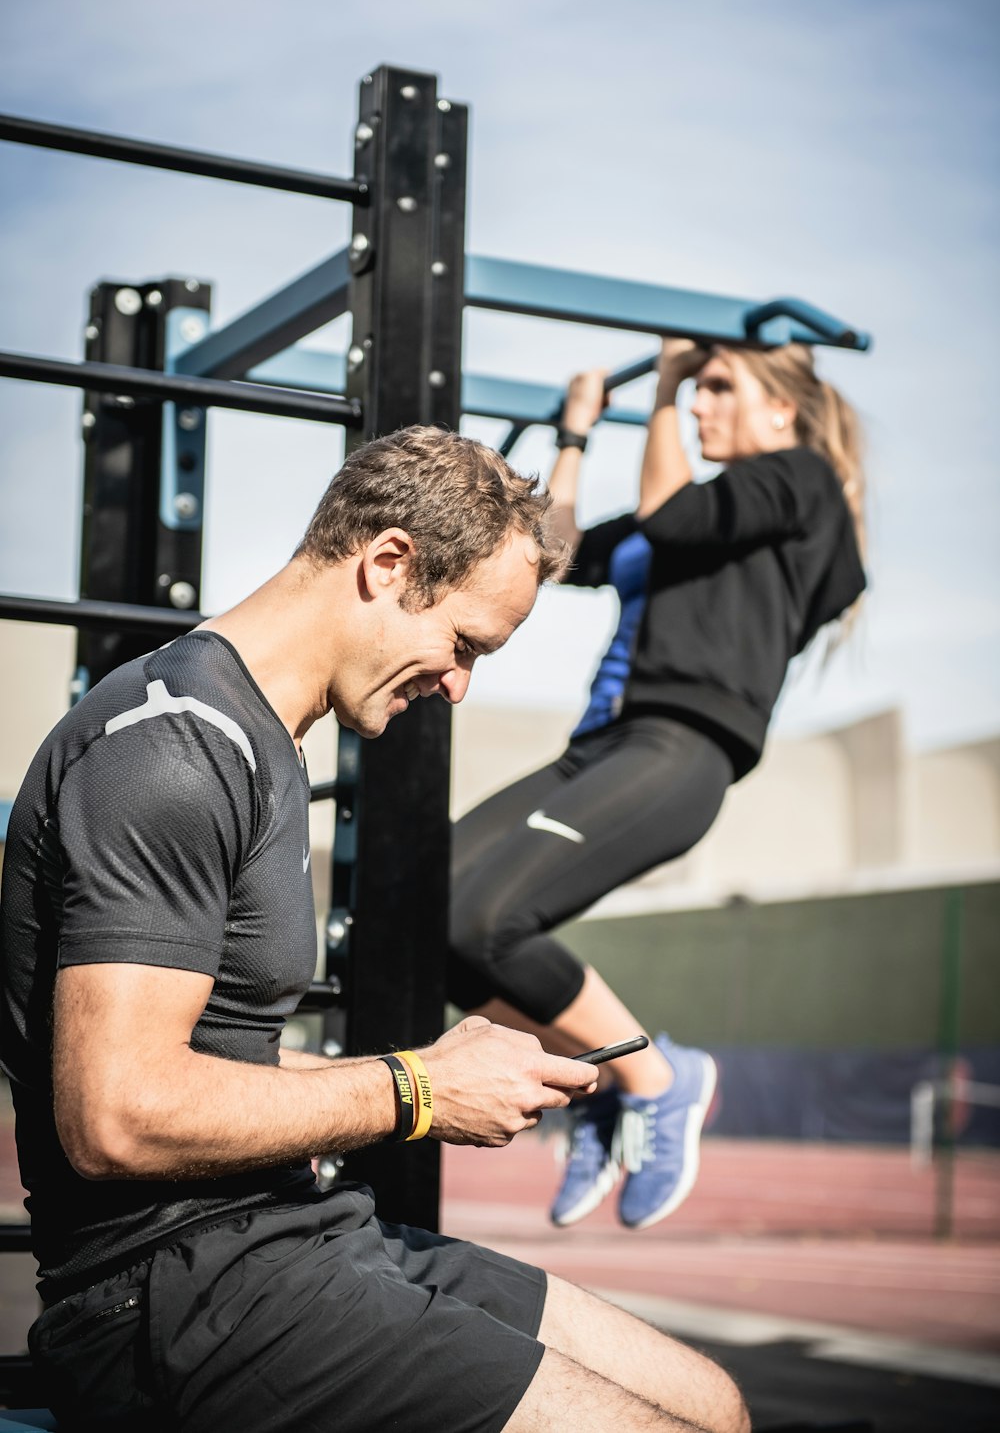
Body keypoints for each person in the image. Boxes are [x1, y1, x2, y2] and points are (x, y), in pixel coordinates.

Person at [0, 425, 749, 1433]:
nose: (459, 685)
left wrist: (441, 1068)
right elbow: (119, 1117)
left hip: (290, 1237)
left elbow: (214, 1067)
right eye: (464, 644)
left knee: (712, 1403)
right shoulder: (174, 751)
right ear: (387, 562)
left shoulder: (261, 737)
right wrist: (419, 1091)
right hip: (176, 1300)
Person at [449, 339, 867, 1232]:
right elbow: (548, 556)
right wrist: (575, 433)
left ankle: (658, 1079)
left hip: (682, 748)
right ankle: (609, 1086)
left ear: (782, 411)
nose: (704, 404)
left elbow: (675, 515)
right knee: (425, 920)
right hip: (598, 747)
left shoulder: (800, 483)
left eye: (723, 388)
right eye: (699, 387)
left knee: (488, 919)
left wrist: (669, 386)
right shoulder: (684, 507)